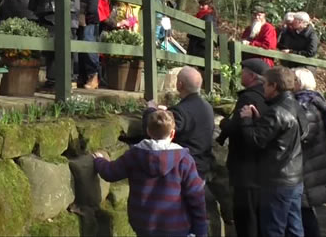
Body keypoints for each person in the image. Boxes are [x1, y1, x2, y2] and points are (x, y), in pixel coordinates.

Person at [93, 110, 208, 237]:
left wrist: (99, 161)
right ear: (173, 133)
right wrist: (201, 230)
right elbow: (196, 195)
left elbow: (110, 173)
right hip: (175, 226)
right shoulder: (184, 160)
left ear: (148, 131)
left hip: (143, 224)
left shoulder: (134, 155)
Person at [143, 67, 217, 235]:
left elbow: (158, 130)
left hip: (185, 171)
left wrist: (151, 111)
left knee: (183, 216)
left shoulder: (181, 111)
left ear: (180, 84)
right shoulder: (207, 107)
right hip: (203, 167)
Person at [239, 66, 307, 237]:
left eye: (265, 84)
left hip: (277, 180)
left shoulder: (276, 112)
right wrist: (260, 120)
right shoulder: (296, 105)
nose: (263, 88)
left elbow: (255, 140)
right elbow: (299, 132)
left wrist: (247, 120)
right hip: (295, 177)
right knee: (294, 228)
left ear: (274, 86)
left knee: (273, 229)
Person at [217, 58, 269, 237]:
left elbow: (237, 127)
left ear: (252, 76)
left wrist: (224, 123)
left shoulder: (248, 97)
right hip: (262, 166)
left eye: (243, 71)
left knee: (246, 216)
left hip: (244, 166)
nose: (241, 74)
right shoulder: (267, 97)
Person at [292, 68, 326, 237]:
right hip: (314, 160)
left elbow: (304, 135)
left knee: (304, 210)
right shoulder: (316, 101)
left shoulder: (305, 105)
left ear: (299, 82)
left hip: (307, 163)